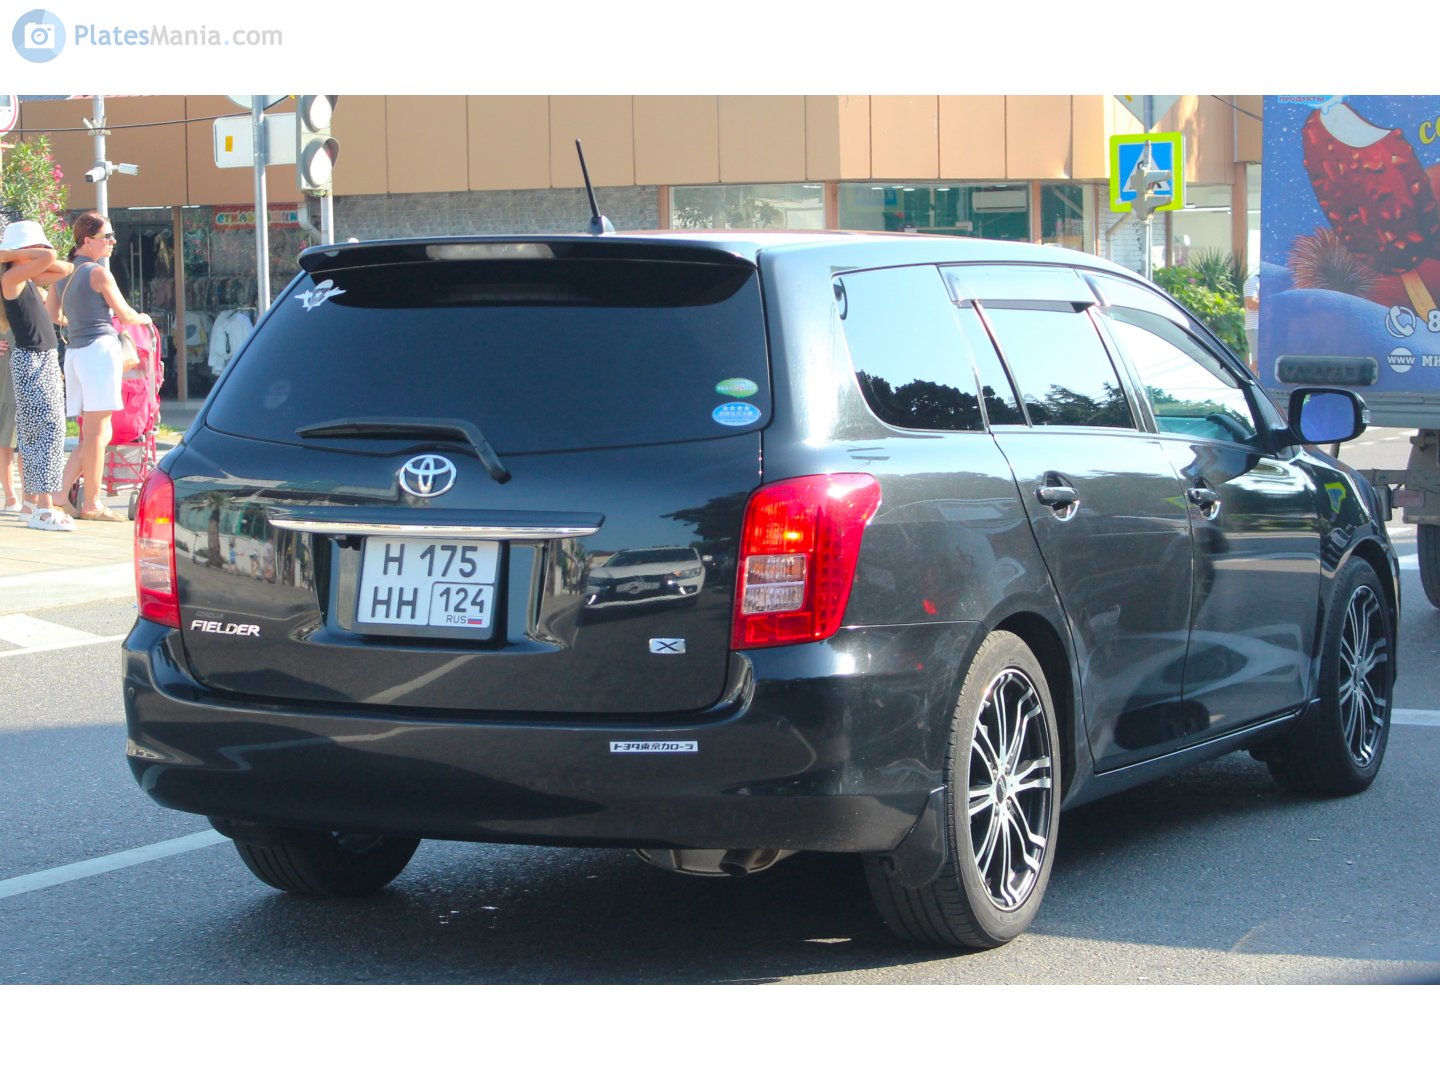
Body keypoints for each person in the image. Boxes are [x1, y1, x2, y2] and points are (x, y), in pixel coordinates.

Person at [47, 212, 152, 522]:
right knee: (98, 431)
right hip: (98, 351)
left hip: (75, 352)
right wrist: (145, 318)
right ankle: (92, 502)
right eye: (106, 236)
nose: (112, 241)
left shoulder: (63, 273)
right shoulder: (98, 273)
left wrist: (78, 321)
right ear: (87, 240)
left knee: (95, 431)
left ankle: (60, 493)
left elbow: (52, 315)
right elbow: (127, 315)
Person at [0, 220, 75, 530]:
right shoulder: (11, 277)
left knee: (42, 431)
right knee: (44, 432)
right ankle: (44, 508)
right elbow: (50, 257)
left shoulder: (25, 276)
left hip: (41, 357)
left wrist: (22, 255)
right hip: (31, 358)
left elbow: (66, 268)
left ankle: (32, 504)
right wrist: (14, 254)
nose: (42, 250)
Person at [0, 327, 21, 512]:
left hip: (29, 358)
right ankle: (10, 496)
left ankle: (32, 497)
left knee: (28, 441)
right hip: (5, 365)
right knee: (5, 437)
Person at [1244, 270, 1260, 375]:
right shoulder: (1252, 281)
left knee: (1263, 360)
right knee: (1257, 360)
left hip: (1267, 328)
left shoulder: (1268, 284)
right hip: (1255, 327)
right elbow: (1251, 303)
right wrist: (1269, 302)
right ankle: (1250, 381)